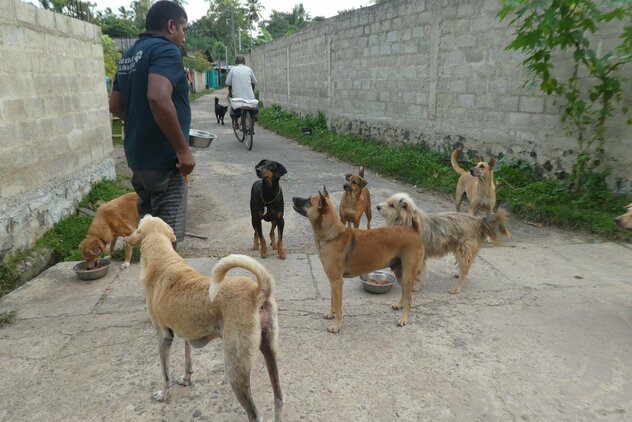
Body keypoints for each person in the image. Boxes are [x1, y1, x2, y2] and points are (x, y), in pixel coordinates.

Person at [108, 0, 194, 248]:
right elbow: (157, 96)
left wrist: (143, 124)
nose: (183, 37)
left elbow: (115, 105)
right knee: (167, 242)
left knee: (150, 236)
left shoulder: (128, 55)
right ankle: (167, 286)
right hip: (164, 161)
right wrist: (183, 149)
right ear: (171, 26)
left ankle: (153, 285)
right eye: (183, 29)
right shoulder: (166, 50)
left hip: (138, 160)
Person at [226, 55, 258, 131]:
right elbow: (253, 82)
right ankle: (252, 123)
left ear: (235, 62)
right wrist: (252, 92)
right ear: (244, 62)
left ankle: (236, 123)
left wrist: (230, 93)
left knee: (234, 110)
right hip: (249, 98)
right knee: (254, 109)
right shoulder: (249, 69)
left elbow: (229, 84)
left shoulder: (232, 70)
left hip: (237, 99)